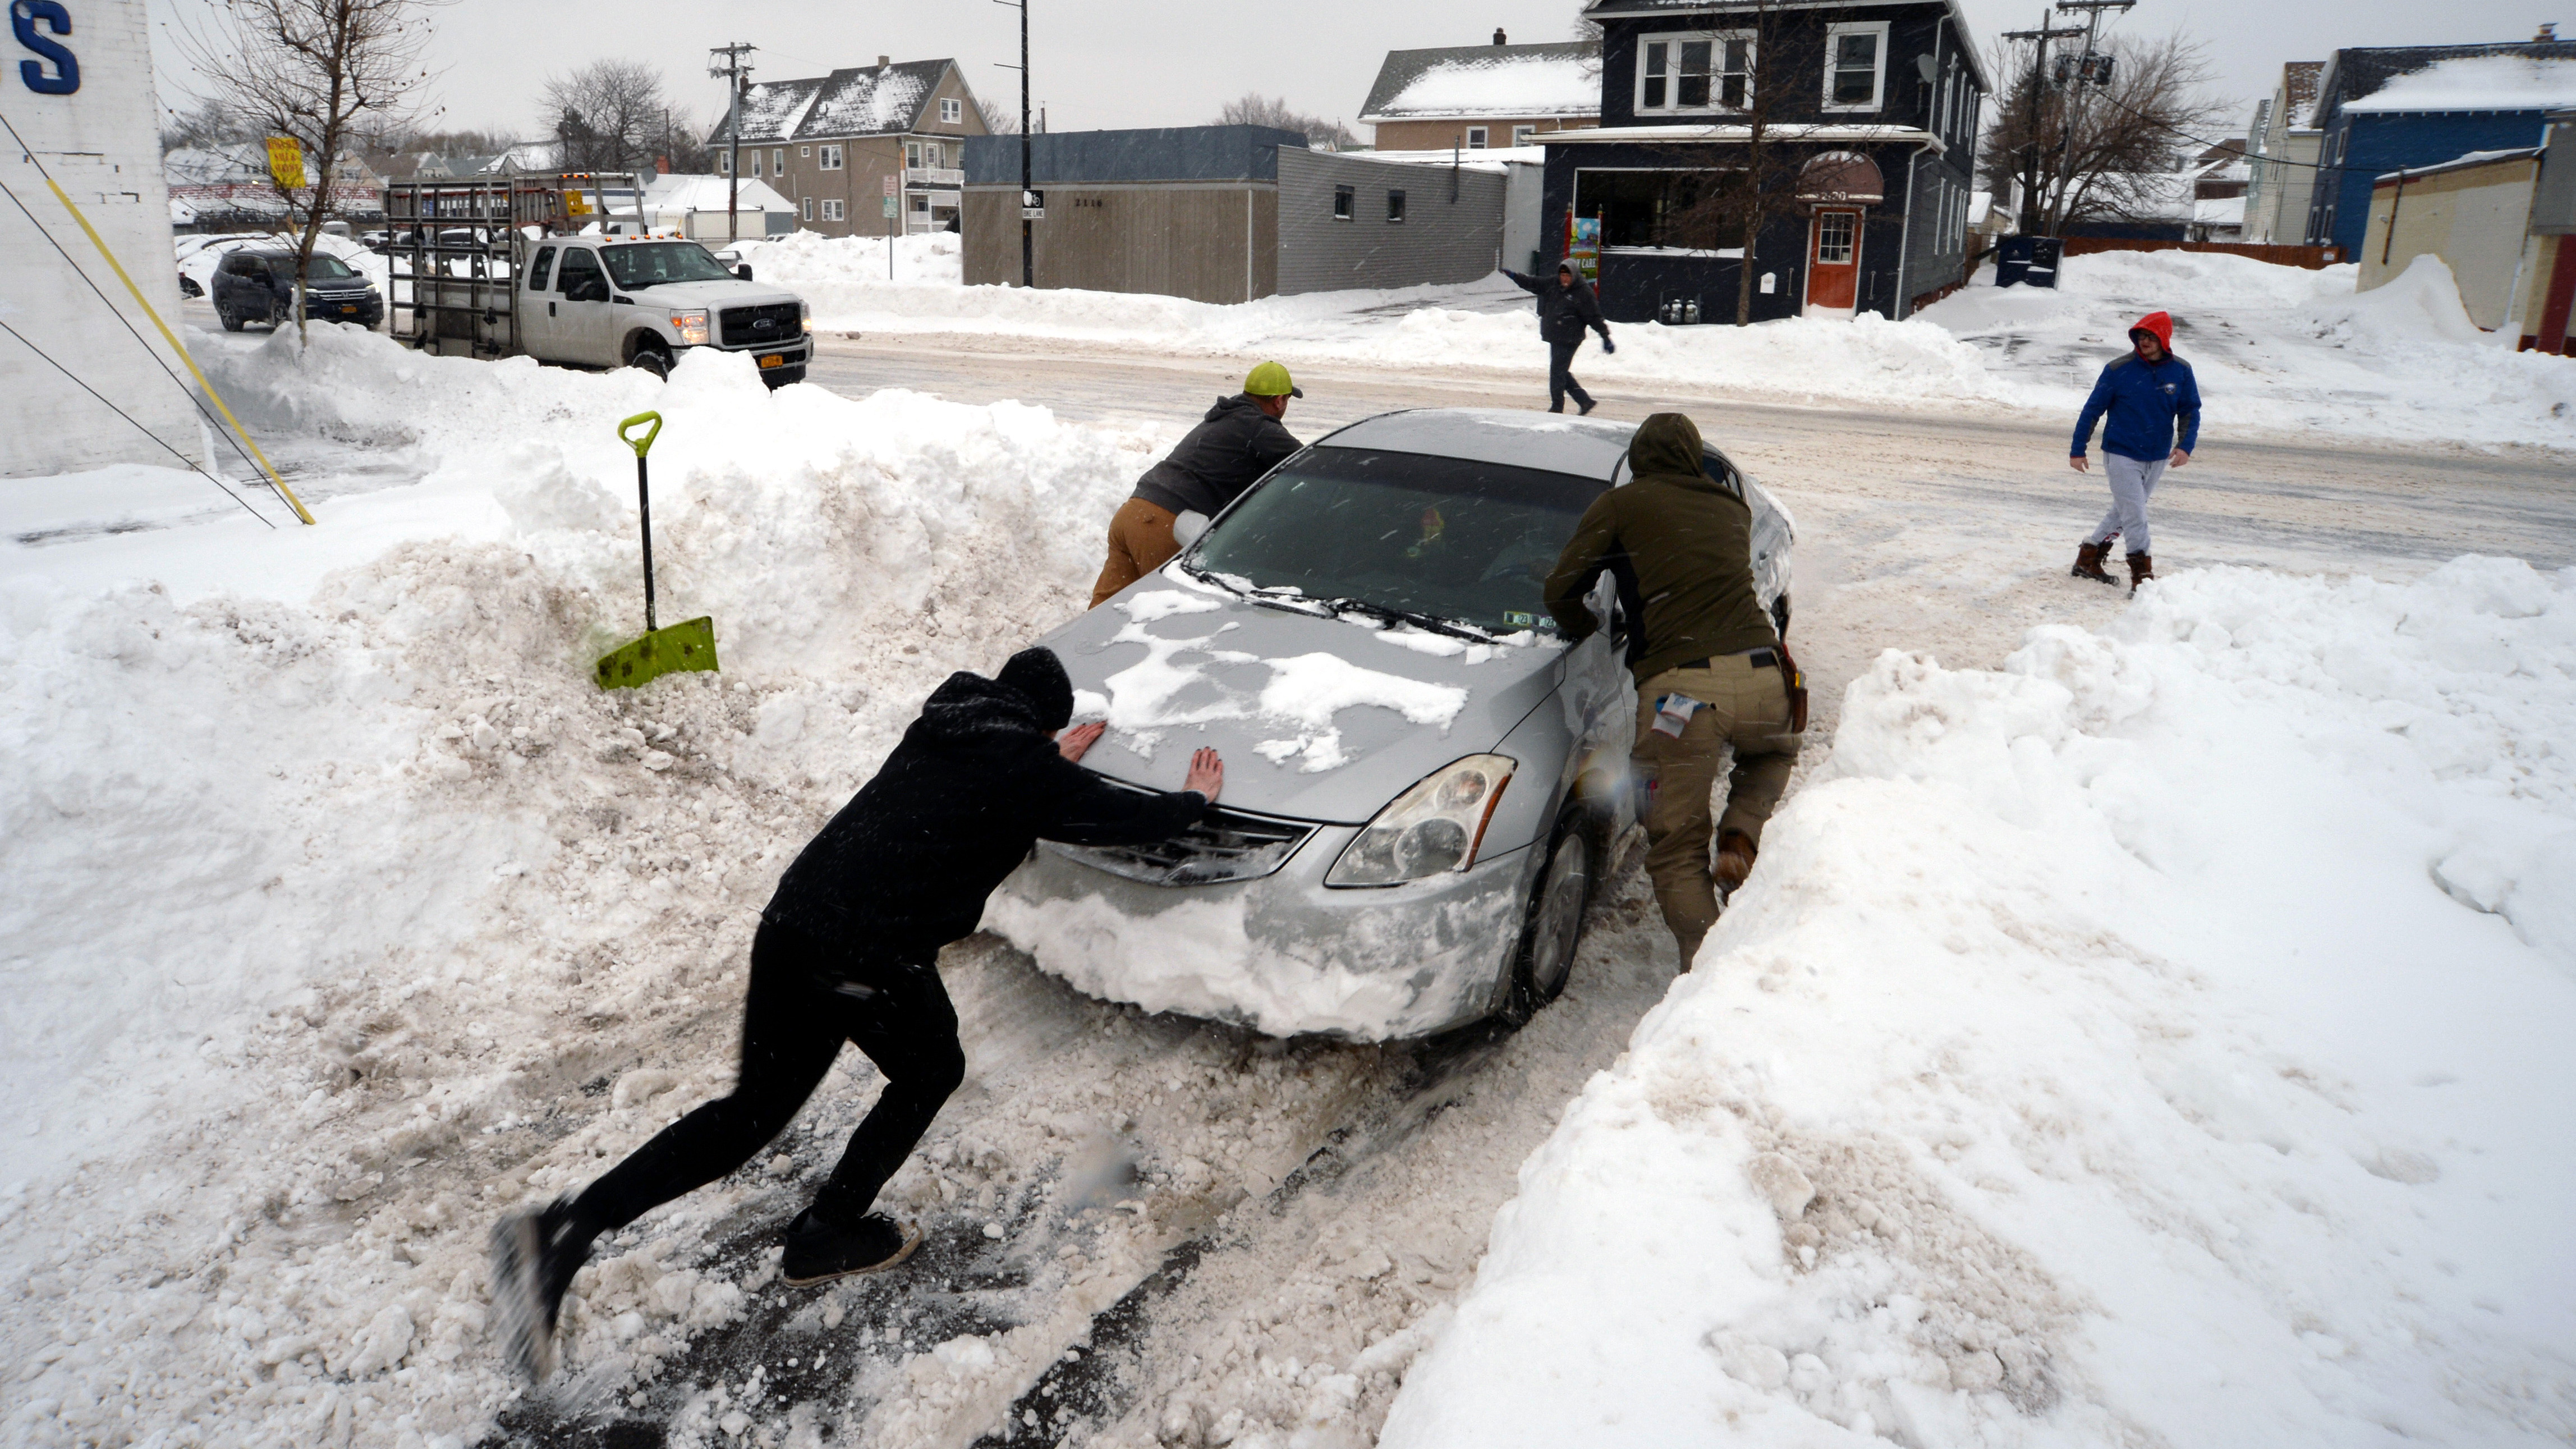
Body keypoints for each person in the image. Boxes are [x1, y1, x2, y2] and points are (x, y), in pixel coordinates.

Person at [489, 648, 1222, 1382]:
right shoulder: (1022, 772)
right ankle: (823, 1233)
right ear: (1042, 725)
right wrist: (1191, 798)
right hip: (863, 952)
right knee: (929, 1069)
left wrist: (1044, 760)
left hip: (794, 919)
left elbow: (1000, 779)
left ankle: (569, 1222)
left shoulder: (943, 729)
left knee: (752, 1108)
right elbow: (1121, 818)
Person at [1544, 412, 1799, 967]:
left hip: (1680, 698)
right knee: (1773, 753)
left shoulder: (1622, 504)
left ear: (1638, 460)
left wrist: (1581, 622)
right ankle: (1741, 834)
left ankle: (1711, 972)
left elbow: (1563, 586)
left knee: (1676, 846)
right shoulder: (1731, 507)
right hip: (1762, 675)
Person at [1089, 362, 1304, 608]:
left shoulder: (1222, 418)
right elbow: (1308, 465)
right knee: (1169, 611)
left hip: (1132, 513)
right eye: (1286, 400)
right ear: (1279, 401)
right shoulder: (1260, 428)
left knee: (1103, 609)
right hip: (1166, 524)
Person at [2069, 310, 2200, 594]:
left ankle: (2087, 559)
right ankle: (2142, 580)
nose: (2144, 342)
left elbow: (2190, 411)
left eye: (2151, 337)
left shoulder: (2181, 370)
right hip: (2121, 453)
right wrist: (2078, 449)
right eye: (2141, 336)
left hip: (2157, 455)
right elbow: (2092, 410)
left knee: (2124, 510)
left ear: (2164, 339)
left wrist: (2185, 445)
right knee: (2136, 516)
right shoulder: (2119, 370)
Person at [1501, 261, 1615, 415]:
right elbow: (1534, 283)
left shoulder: (1583, 292)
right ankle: (1584, 401)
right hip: (1556, 336)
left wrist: (1605, 337)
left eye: (1568, 275)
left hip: (1570, 338)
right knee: (1560, 371)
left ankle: (1557, 407)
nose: (1564, 279)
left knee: (1557, 372)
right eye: (1562, 275)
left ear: (1574, 275)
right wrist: (1515, 277)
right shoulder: (1553, 284)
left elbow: (1594, 316)